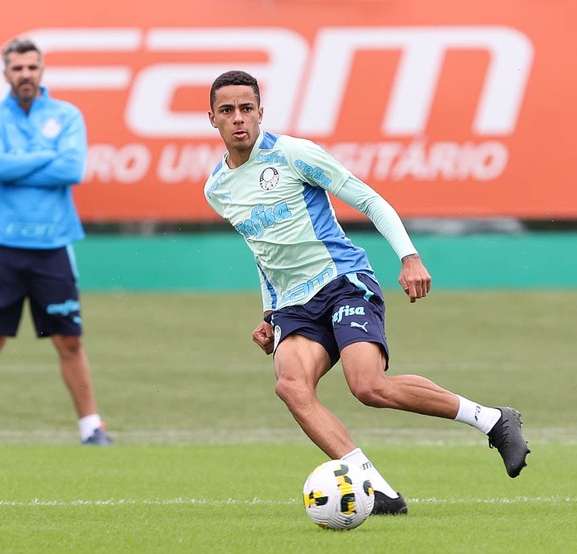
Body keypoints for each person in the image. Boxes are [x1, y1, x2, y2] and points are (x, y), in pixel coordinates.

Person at [203, 70, 530, 514]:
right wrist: (268, 312)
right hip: (292, 305)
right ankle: (375, 489)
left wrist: (409, 257)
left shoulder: (295, 154)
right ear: (212, 119)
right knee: (291, 387)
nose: (238, 118)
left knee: (368, 386)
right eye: (227, 111)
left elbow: (371, 200)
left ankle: (491, 420)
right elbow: (262, 252)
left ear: (261, 113)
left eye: (246, 108)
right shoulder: (217, 189)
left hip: (342, 282)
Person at [0, 38, 111, 447]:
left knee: (69, 340)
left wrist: (16, 164)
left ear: (41, 71)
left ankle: (92, 427)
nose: (25, 74)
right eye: (17, 68)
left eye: (32, 67)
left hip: (53, 243)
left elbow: (72, 168)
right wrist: (45, 156)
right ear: (6, 73)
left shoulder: (67, 115)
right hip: (2, 243)